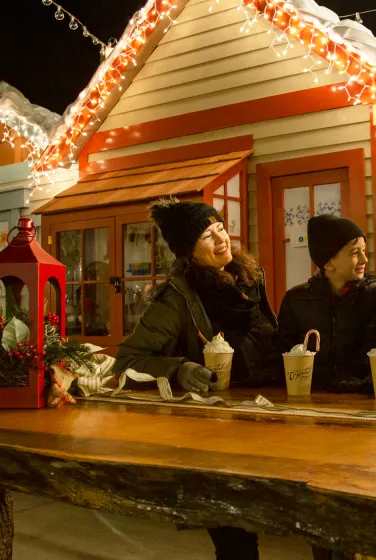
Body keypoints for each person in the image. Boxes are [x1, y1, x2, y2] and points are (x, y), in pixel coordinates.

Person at [116, 197, 278, 559]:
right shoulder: (176, 298)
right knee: (235, 536)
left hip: (268, 418)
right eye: (208, 234)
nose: (221, 239)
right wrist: (179, 369)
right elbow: (127, 359)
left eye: (220, 227)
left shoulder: (250, 277)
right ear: (188, 250)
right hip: (216, 428)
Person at [275, 214, 376, 393]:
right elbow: (283, 351)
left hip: (362, 396)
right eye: (355, 253)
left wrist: (349, 377)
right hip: (307, 397)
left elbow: (375, 347)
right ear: (329, 263)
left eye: (364, 250)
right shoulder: (295, 299)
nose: (364, 259)